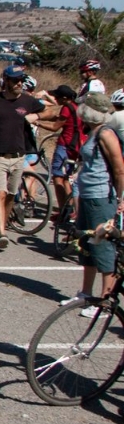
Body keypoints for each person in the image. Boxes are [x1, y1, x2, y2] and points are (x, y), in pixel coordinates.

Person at [65, 93, 124, 311]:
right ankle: (85, 294)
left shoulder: (106, 134)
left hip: (101, 197)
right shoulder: (93, 131)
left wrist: (120, 199)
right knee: (86, 247)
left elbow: (119, 169)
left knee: (104, 249)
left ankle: (104, 301)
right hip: (89, 196)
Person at [0, 66, 44, 249]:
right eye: (15, 80)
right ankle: (2, 233)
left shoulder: (28, 101)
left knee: (10, 196)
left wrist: (37, 116)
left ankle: (2, 225)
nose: (19, 84)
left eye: (21, 80)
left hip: (18, 155)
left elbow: (50, 111)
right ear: (6, 81)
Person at [39, 84, 85, 214]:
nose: (56, 99)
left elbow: (55, 127)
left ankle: (62, 210)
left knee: (58, 177)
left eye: (57, 97)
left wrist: (37, 122)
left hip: (65, 145)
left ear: (65, 98)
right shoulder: (76, 107)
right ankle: (70, 208)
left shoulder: (66, 108)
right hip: (75, 146)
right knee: (67, 178)